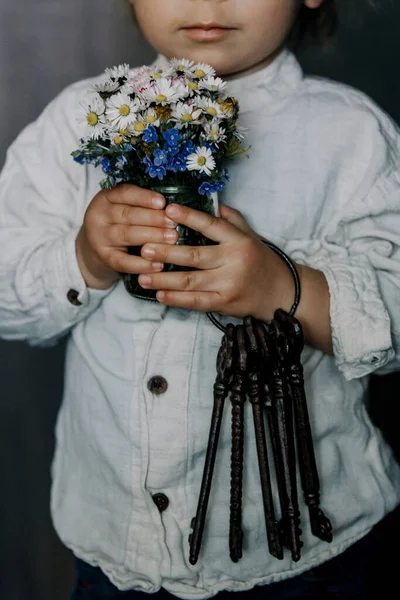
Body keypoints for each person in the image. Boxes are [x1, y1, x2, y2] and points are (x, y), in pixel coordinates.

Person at [0, 0, 399, 598]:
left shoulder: (352, 136)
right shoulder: (75, 123)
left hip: (305, 556)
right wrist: (84, 257)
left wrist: (281, 287)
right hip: (116, 549)